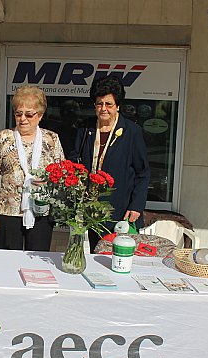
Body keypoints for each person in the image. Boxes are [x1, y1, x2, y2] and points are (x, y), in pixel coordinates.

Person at [70, 75, 150, 252]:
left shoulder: (132, 132)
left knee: (117, 254)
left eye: (108, 104)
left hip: (120, 208)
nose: (103, 109)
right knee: (93, 253)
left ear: (117, 106)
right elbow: (75, 162)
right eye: (99, 104)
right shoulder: (85, 129)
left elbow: (142, 172)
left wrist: (136, 205)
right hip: (90, 208)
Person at [0, 86, 65, 251]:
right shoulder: (2, 138)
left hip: (41, 210)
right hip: (8, 211)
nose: (23, 118)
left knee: (37, 263)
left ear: (40, 115)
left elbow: (61, 175)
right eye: (18, 113)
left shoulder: (51, 139)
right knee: (7, 263)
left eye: (29, 114)